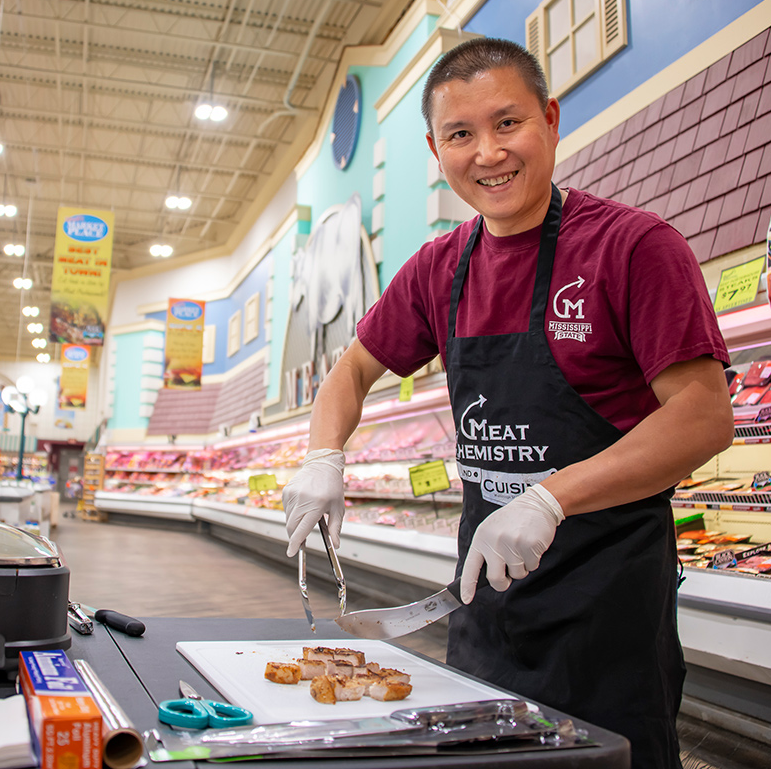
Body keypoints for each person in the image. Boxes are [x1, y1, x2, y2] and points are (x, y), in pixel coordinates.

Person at [281, 37, 733, 769]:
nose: (487, 153)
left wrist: (549, 498)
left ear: (550, 119)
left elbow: (704, 414)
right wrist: (323, 454)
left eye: (507, 124)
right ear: (436, 148)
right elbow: (352, 369)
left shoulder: (632, 247)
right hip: (483, 608)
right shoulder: (439, 267)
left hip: (606, 610)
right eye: (461, 135)